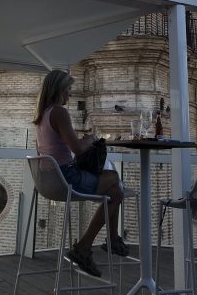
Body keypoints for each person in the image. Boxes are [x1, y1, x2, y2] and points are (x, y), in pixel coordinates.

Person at [33, 69, 129, 277]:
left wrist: (81, 142)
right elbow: (76, 149)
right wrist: (90, 140)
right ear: (58, 89)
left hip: (46, 181)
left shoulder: (41, 116)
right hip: (66, 178)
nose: (69, 93)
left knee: (114, 190)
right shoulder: (59, 112)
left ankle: (108, 241)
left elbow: (51, 149)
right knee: (115, 184)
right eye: (68, 89)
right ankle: (87, 247)